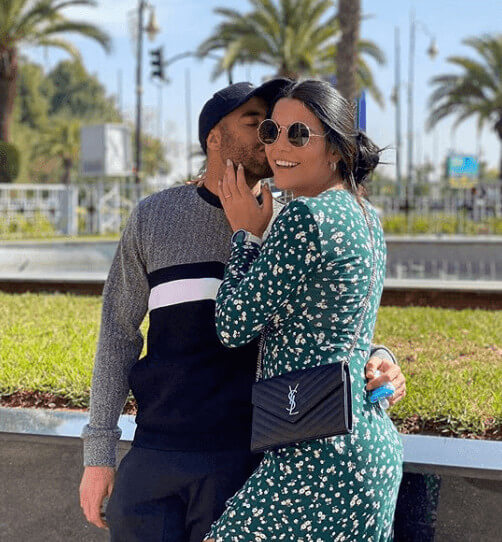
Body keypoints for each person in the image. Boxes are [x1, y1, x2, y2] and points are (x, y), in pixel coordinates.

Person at [78, 79, 405, 542]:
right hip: (156, 453)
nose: (271, 143)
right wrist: (98, 453)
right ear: (214, 137)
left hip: (246, 458)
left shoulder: (293, 213)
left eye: (290, 133)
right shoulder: (154, 217)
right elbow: (117, 333)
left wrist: (379, 356)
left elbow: (325, 315)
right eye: (262, 126)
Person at [204, 79, 403, 542]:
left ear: (334, 148)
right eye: (271, 131)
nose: (277, 147)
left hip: (317, 457)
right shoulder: (365, 215)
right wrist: (383, 354)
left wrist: (246, 236)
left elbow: (232, 324)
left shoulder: (304, 216)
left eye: (299, 135)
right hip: (368, 446)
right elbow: (343, 321)